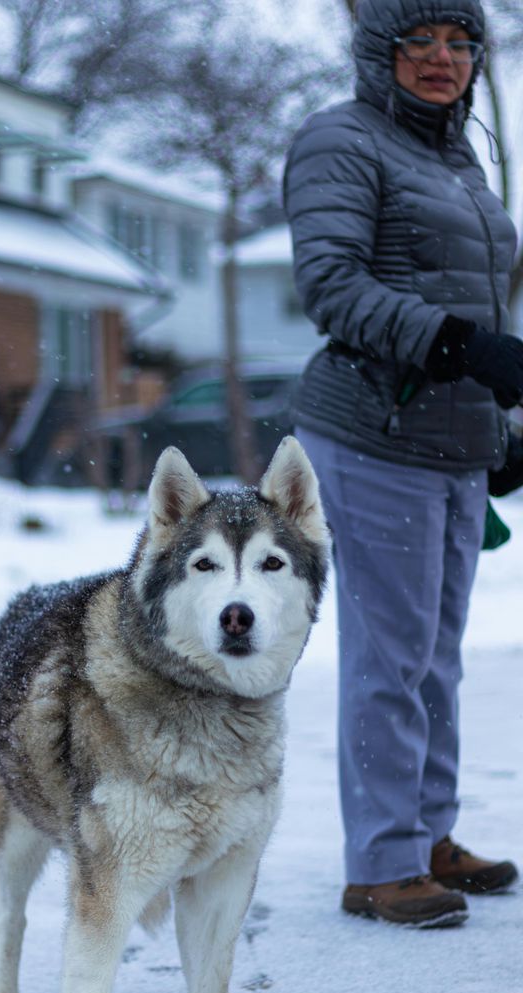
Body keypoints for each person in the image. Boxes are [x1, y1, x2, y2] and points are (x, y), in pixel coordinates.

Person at [283, 0, 520, 927]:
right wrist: (465, 347)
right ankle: (380, 862)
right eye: (418, 40)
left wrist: (500, 433)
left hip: (451, 442)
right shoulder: (340, 140)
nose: (441, 58)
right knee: (390, 657)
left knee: (435, 659)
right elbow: (332, 286)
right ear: (378, 49)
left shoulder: (457, 158)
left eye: (460, 42)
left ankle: (427, 836)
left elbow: (469, 301)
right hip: (374, 434)